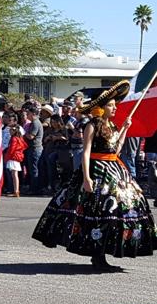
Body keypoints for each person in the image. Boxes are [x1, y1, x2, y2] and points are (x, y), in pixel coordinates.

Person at [33, 82, 156, 271]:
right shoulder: (92, 125)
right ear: (101, 107)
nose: (115, 108)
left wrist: (124, 129)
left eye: (114, 105)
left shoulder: (113, 125)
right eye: (111, 105)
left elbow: (116, 148)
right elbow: (86, 152)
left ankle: (104, 251)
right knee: (96, 212)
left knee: (120, 208)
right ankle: (97, 255)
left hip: (115, 167)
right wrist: (87, 178)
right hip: (98, 170)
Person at [4, 124, 27, 197]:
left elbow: (12, 149)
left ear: (14, 131)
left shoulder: (14, 138)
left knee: (14, 175)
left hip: (13, 157)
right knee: (15, 175)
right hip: (16, 157)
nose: (9, 131)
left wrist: (7, 157)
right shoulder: (19, 138)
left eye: (11, 130)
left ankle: (16, 191)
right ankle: (16, 190)